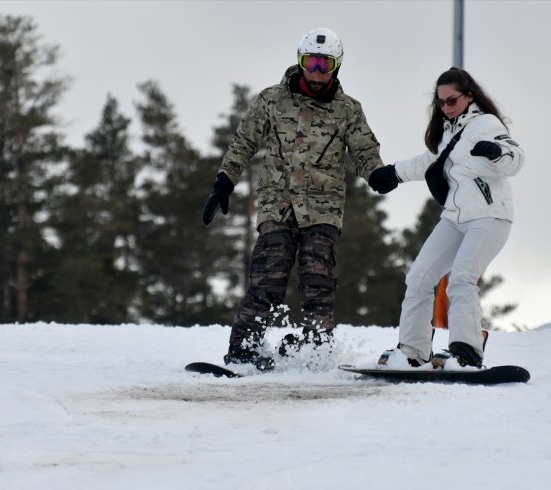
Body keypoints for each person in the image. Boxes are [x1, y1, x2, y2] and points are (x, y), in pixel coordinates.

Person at [202, 27, 397, 371]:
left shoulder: (348, 110)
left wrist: (377, 173)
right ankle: (243, 350)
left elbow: (365, 150)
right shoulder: (272, 100)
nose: (317, 72)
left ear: (337, 66)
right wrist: (224, 181)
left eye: (325, 64)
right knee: (267, 276)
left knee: (317, 279)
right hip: (277, 202)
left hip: (323, 207)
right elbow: (244, 141)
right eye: (311, 62)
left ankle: (316, 351)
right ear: (300, 61)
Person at [377, 67, 524, 369]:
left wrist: (496, 151)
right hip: (455, 218)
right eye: (440, 103)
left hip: (489, 216)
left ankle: (466, 352)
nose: (445, 108)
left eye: (451, 101)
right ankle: (413, 352)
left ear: (469, 96)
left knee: (461, 278)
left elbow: (515, 157)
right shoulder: (449, 132)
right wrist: (393, 173)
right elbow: (429, 162)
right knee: (418, 278)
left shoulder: (485, 123)